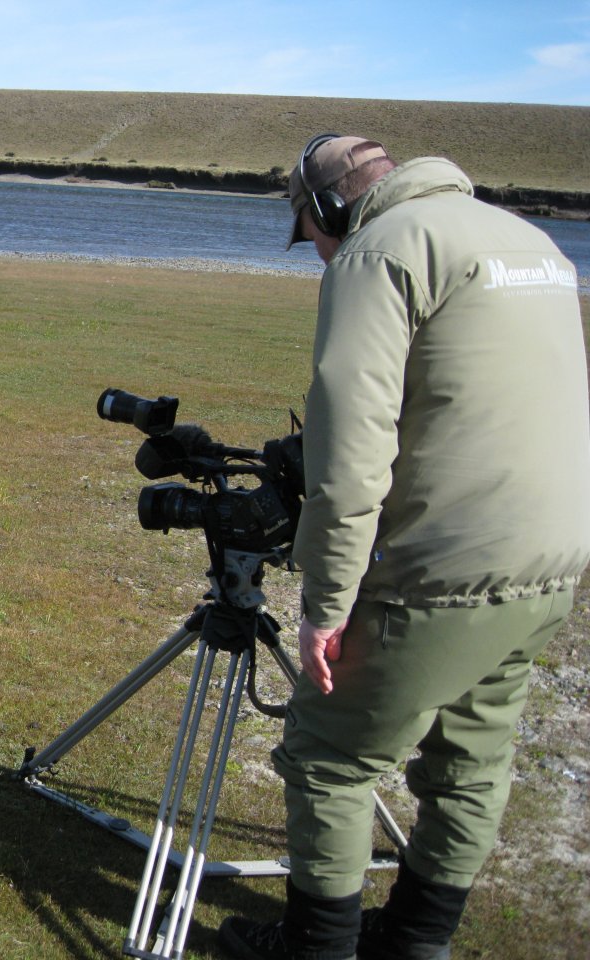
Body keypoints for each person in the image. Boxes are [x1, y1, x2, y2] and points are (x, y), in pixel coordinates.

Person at [217, 135, 590, 960]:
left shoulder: (377, 253)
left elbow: (350, 456)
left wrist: (326, 603)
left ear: (328, 210)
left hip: (437, 567)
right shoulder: (530, 241)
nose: (315, 253)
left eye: (310, 235)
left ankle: (317, 949)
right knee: (472, 762)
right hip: (551, 560)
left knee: (329, 760)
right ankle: (417, 942)